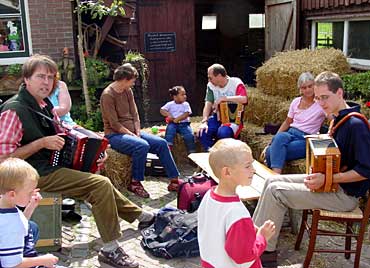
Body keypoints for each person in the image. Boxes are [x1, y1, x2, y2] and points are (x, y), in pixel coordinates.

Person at [0, 54, 155, 268]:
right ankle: (110, 249)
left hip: (50, 165)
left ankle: (142, 215)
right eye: (41, 77)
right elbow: (4, 159)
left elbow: (65, 130)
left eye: (51, 77)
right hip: (29, 174)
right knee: (98, 184)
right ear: (26, 79)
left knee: (100, 181)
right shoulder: (13, 110)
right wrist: (41, 143)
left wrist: (96, 145)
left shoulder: (43, 105)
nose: (47, 82)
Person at [252, 71, 370, 267]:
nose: (321, 103)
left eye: (325, 97)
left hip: (344, 196)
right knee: (271, 180)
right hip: (330, 185)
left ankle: (265, 253)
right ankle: (253, 238)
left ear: (339, 93)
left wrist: (329, 180)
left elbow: (366, 171)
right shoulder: (337, 119)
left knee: (276, 192)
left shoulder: (355, 125)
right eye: (317, 98)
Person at [100, 63, 181, 198]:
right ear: (125, 79)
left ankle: (174, 180)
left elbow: (135, 114)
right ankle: (135, 182)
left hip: (133, 132)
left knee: (161, 143)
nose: (133, 83)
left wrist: (137, 131)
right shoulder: (108, 95)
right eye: (133, 80)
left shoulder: (127, 91)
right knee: (141, 146)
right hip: (115, 135)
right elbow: (114, 124)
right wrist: (132, 135)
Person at [197, 138, 275, 268]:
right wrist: (262, 237)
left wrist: (249, 228)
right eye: (247, 166)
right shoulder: (237, 213)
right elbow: (243, 258)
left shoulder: (208, 196)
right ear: (227, 172)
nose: (253, 170)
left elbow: (216, 228)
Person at [0, 158, 59, 268]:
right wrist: (43, 260)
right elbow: (12, 265)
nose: (33, 194)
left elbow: (20, 224)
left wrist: (31, 206)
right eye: (29, 192)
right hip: (17, 263)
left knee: (32, 227)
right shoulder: (11, 226)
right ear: (12, 194)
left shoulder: (5, 204)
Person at [265, 72, 326, 174]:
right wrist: (274, 139)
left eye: (310, 86)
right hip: (291, 133)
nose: (307, 90)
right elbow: (287, 122)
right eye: (304, 88)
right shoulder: (296, 101)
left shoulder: (321, 103)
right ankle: (275, 176)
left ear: (315, 86)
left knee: (270, 152)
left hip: (306, 139)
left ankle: (274, 176)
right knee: (279, 138)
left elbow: (332, 117)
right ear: (300, 89)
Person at [197, 63, 248, 151]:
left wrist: (224, 99)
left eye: (210, 77)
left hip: (232, 119)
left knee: (223, 133)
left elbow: (244, 99)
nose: (209, 80)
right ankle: (212, 153)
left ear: (219, 76)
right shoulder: (210, 86)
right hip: (217, 117)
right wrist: (204, 121)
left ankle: (223, 156)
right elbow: (208, 104)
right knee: (203, 132)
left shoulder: (236, 82)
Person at [160, 85, 196, 154]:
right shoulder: (170, 104)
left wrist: (177, 119)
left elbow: (186, 114)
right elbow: (162, 110)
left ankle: (192, 152)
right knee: (169, 131)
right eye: (182, 94)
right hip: (173, 123)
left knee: (189, 135)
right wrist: (169, 115)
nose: (185, 96)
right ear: (175, 97)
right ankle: (168, 146)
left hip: (184, 124)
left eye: (185, 94)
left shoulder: (186, 104)